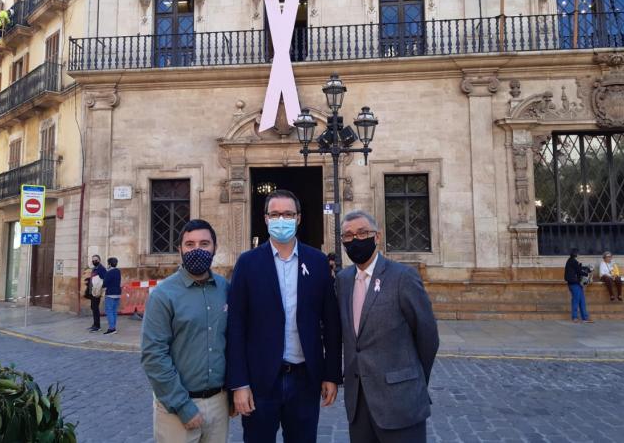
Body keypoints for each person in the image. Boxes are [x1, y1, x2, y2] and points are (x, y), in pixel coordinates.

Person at [226, 189, 342, 443]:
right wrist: (239, 384)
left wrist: (331, 375)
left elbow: (331, 323)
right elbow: (236, 326)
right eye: (275, 214)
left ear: (298, 218)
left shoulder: (317, 262)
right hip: (260, 380)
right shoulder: (247, 263)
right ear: (266, 219)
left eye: (288, 214)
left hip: (305, 379)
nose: (282, 219)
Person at [336, 210, 439, 443]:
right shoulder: (343, 281)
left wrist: (412, 380)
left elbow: (428, 336)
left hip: (400, 401)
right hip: (359, 403)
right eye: (348, 236)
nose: (355, 240)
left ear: (377, 236)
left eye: (362, 233)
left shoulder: (403, 277)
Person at [141, 219, 231, 443]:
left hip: (219, 403)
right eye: (190, 244)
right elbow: (154, 355)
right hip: (177, 409)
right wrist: (182, 406)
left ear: (215, 248)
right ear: (180, 249)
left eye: (204, 244)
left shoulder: (225, 289)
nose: (197, 250)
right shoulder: (163, 295)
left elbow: (232, 341)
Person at [564, 248, 593, 323]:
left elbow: (579, 268)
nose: (579, 255)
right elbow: (579, 270)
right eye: (578, 253)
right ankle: (575, 317)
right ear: (576, 254)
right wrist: (587, 273)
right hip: (574, 284)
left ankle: (585, 318)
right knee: (576, 300)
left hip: (577, 283)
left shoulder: (572, 261)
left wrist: (586, 269)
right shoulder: (572, 261)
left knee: (582, 300)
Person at [87, 255, 106, 332]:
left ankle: (97, 326)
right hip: (92, 291)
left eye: (96, 260)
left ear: (99, 260)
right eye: (93, 260)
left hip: (97, 292)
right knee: (93, 307)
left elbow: (104, 279)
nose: (94, 261)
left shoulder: (101, 269)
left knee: (95, 308)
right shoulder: (94, 268)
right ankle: (95, 324)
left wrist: (100, 290)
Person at [102, 257, 121, 335]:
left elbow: (105, 283)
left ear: (109, 264)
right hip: (118, 293)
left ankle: (111, 328)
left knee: (109, 311)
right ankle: (113, 327)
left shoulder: (109, 272)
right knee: (114, 311)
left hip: (110, 293)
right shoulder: (118, 271)